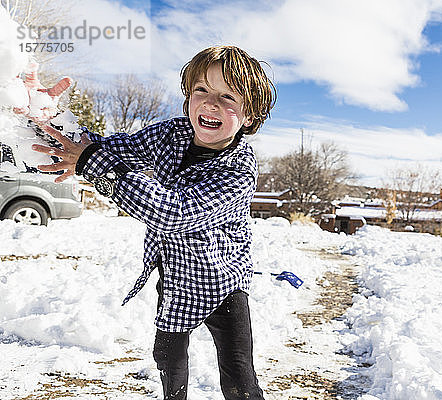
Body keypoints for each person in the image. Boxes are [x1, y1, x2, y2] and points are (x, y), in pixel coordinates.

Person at [27, 46, 276, 400]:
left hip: (222, 283)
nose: (209, 103)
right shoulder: (170, 135)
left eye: (227, 97)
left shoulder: (237, 170)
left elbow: (172, 213)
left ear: (251, 116)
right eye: (201, 91)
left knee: (238, 376)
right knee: (168, 360)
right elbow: (112, 148)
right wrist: (49, 119)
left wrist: (95, 163)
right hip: (176, 278)